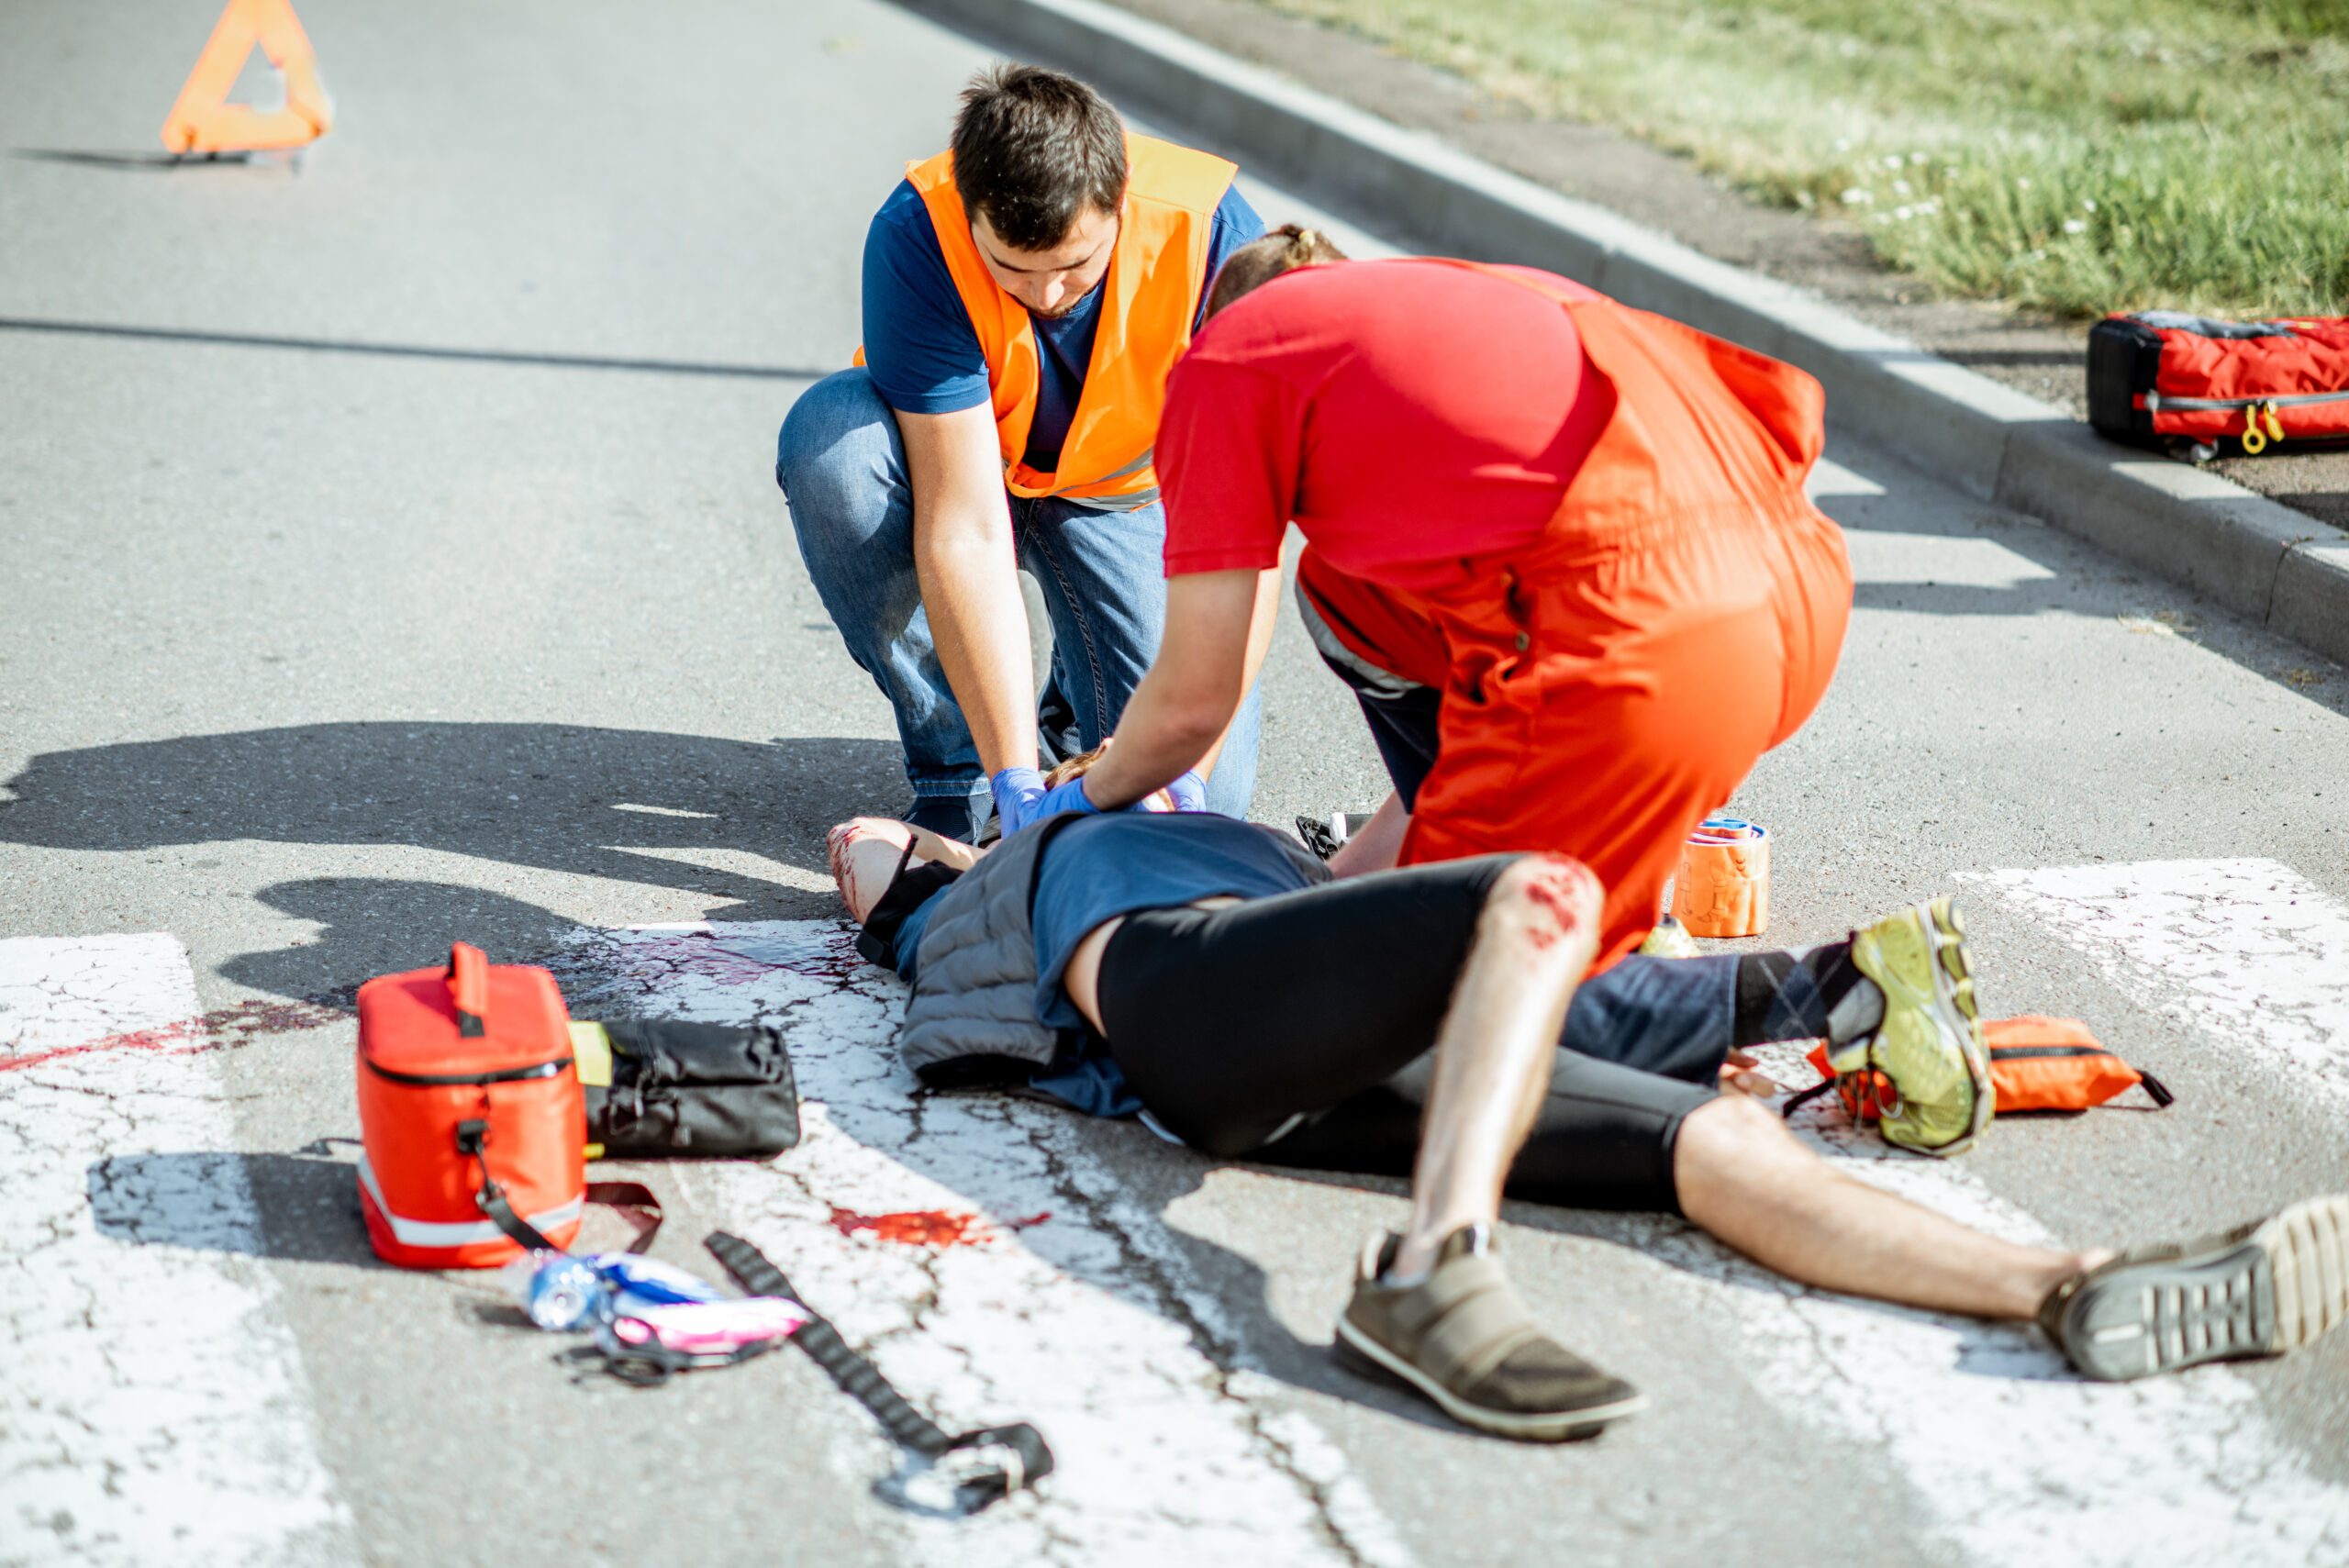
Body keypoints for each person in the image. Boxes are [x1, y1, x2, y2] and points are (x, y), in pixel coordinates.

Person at [826, 806, 2349, 1441]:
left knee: (1706, 1140)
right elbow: (858, 841)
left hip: (1326, 1059)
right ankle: (1436, 1267)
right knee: (1529, 892)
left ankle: (2068, 1283)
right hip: (1182, 994)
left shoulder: (1270, 844)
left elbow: (1380, 858)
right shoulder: (1028, 865)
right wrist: (1023, 812)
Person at [776, 64, 1275, 842]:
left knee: (1206, 798)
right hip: (958, 474)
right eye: (1014, 269)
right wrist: (1009, 778)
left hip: (1119, 494)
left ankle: (1072, 723)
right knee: (833, 451)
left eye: (1076, 265)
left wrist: (1184, 766)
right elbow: (965, 524)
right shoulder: (920, 233)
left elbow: (1252, 539)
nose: (1047, 296)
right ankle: (958, 765)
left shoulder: (1213, 237)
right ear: (973, 214)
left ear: (1120, 200)